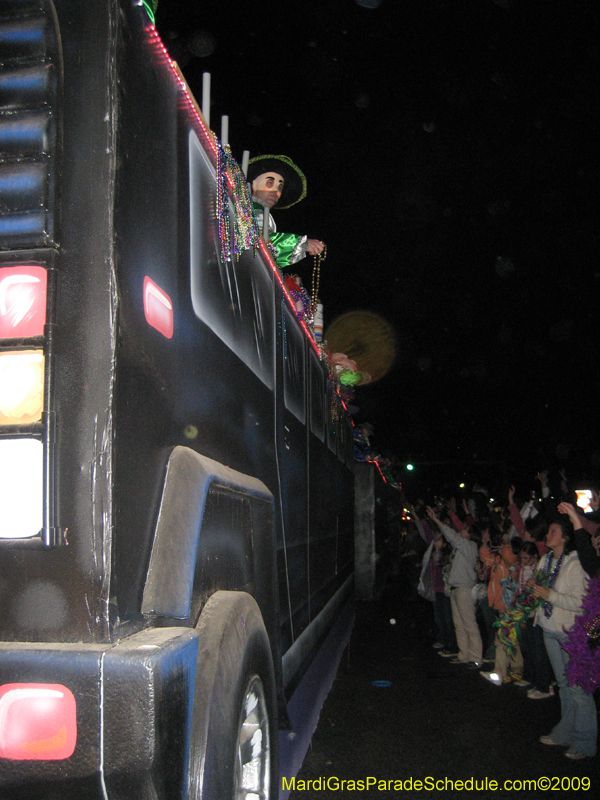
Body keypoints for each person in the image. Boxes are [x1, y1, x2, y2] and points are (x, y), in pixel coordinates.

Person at [530, 517, 596, 759]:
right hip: (549, 630)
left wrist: (551, 595)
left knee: (578, 689)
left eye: (554, 531)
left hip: (570, 634)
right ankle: (565, 732)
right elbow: (539, 591)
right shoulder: (545, 560)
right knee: (564, 686)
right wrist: (533, 591)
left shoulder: (575, 563)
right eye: (548, 531)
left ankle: (586, 741)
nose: (548, 534)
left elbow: (580, 603)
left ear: (566, 538)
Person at [426, 506, 483, 668]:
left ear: (470, 534)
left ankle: (476, 657)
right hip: (456, 588)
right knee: (459, 624)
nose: (461, 530)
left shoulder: (470, 546)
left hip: (465, 589)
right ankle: (464, 654)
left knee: (469, 624)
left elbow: (452, 536)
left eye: (465, 529)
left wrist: (436, 519)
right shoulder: (460, 548)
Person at [247, 155, 325, 270]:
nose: (276, 191)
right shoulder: (251, 208)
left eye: (280, 187)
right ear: (254, 184)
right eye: (270, 183)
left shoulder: (262, 212)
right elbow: (259, 243)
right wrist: (302, 244)